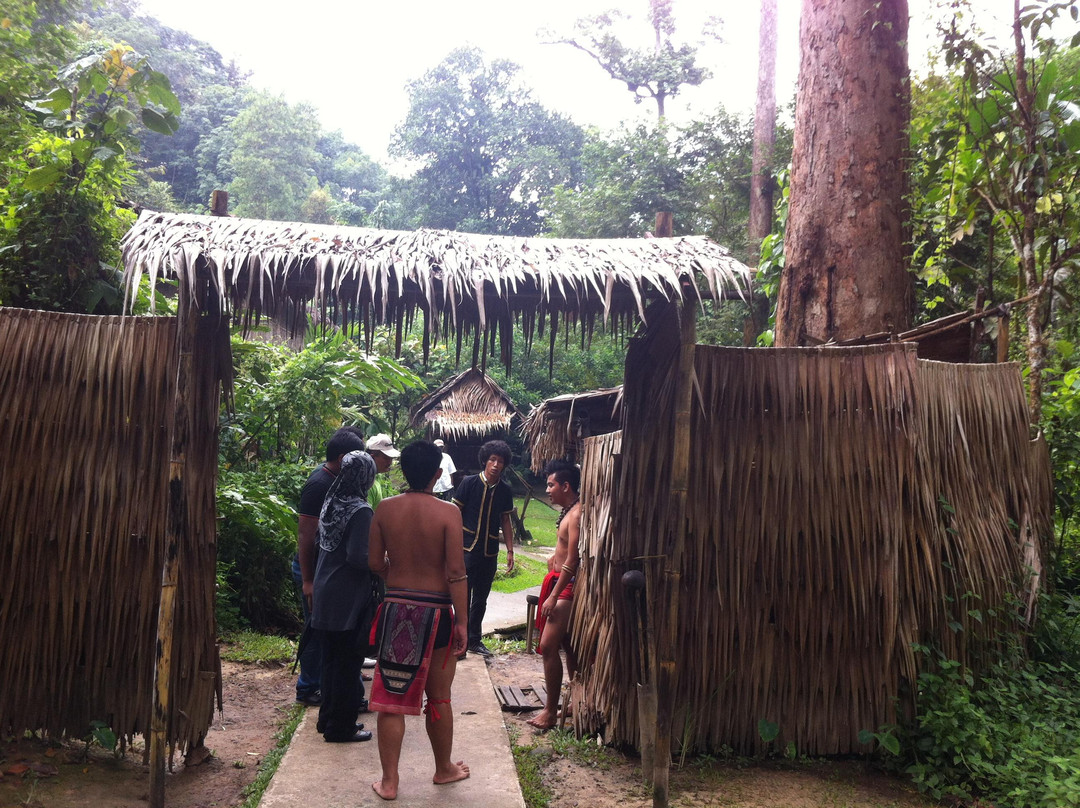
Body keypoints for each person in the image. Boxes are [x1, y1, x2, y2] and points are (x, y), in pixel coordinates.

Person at [368, 440, 470, 801]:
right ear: (438, 474)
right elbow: (457, 572)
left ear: (402, 471)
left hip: (397, 610)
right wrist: (463, 623)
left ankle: (390, 782)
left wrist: (395, 578)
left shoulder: (384, 509)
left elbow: (375, 563)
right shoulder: (448, 513)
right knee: (439, 698)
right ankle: (444, 769)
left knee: (389, 701)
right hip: (438, 611)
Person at [293, 426, 366, 706]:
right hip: (312, 568)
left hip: (322, 568)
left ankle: (326, 687)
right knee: (315, 629)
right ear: (343, 457)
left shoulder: (336, 481)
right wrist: (308, 580)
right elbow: (305, 534)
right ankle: (308, 687)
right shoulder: (320, 484)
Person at [311, 451, 378, 742]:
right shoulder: (361, 510)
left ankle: (327, 719)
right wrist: (383, 562)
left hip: (325, 590)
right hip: (346, 597)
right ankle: (342, 727)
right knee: (348, 662)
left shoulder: (331, 501)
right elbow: (358, 557)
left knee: (330, 660)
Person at [527, 460, 582, 731]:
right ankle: (576, 699)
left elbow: (573, 561)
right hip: (561, 585)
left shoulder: (576, 515)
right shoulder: (570, 511)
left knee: (548, 646)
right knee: (569, 645)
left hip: (567, 589)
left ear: (566, 486)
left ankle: (550, 711)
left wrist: (553, 596)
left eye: (551, 485)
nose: (547, 490)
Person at [452, 439, 515, 657]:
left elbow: (505, 521)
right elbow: (454, 513)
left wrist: (510, 550)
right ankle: (458, 641)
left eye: (500, 461)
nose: (496, 465)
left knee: (481, 598)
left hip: (489, 552)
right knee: (462, 596)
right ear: (485, 461)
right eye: (492, 460)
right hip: (466, 549)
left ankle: (474, 640)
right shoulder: (469, 483)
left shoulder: (505, 490)